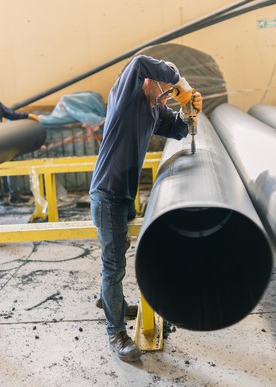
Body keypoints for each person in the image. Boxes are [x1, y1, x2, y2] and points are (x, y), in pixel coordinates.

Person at [89, 55, 202, 362]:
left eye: (170, 92)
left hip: (123, 194)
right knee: (113, 266)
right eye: (164, 88)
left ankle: (108, 298)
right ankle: (116, 332)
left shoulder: (154, 109)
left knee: (119, 250)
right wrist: (182, 82)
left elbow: (178, 130)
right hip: (107, 194)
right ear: (150, 82)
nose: (166, 94)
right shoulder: (126, 96)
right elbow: (140, 61)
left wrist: (187, 111)